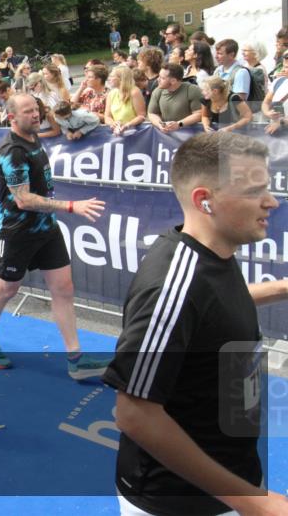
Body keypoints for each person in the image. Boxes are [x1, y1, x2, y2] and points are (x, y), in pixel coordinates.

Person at [102, 131, 287, 516]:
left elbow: (210, 307)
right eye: (255, 190)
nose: (271, 202)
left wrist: (283, 288)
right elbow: (133, 412)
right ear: (206, 201)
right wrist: (252, 502)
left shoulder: (211, 253)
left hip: (226, 479)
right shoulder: (173, 281)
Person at [0, 94, 110, 379]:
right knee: (7, 289)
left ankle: (75, 358)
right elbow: (23, 200)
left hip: (46, 229)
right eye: (28, 112)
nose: (36, 115)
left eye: (36, 110)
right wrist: (71, 206)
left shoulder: (35, 139)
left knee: (64, 288)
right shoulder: (11, 150)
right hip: (16, 232)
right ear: (12, 118)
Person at [147, 64, 203, 132]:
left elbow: (199, 113)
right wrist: (160, 124)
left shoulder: (192, 90)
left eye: (162, 78)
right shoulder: (158, 91)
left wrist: (179, 124)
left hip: (189, 135)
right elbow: (152, 113)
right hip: (166, 135)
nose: (157, 79)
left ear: (173, 81)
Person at [104, 66, 147, 136]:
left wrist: (127, 125)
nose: (109, 79)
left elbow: (141, 116)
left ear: (121, 79)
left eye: (112, 76)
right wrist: (112, 123)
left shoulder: (134, 92)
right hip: (117, 133)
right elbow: (107, 117)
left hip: (134, 133)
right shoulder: (111, 94)